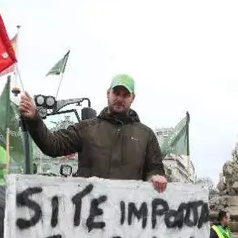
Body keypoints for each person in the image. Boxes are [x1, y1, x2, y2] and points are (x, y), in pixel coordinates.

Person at [18, 74, 168, 192]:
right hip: (90, 220)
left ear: (132, 98)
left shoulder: (146, 135)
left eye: (125, 95)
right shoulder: (87, 129)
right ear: (108, 93)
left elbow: (155, 168)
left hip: (127, 221)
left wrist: (155, 177)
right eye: (116, 92)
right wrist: (34, 119)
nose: (120, 98)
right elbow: (52, 145)